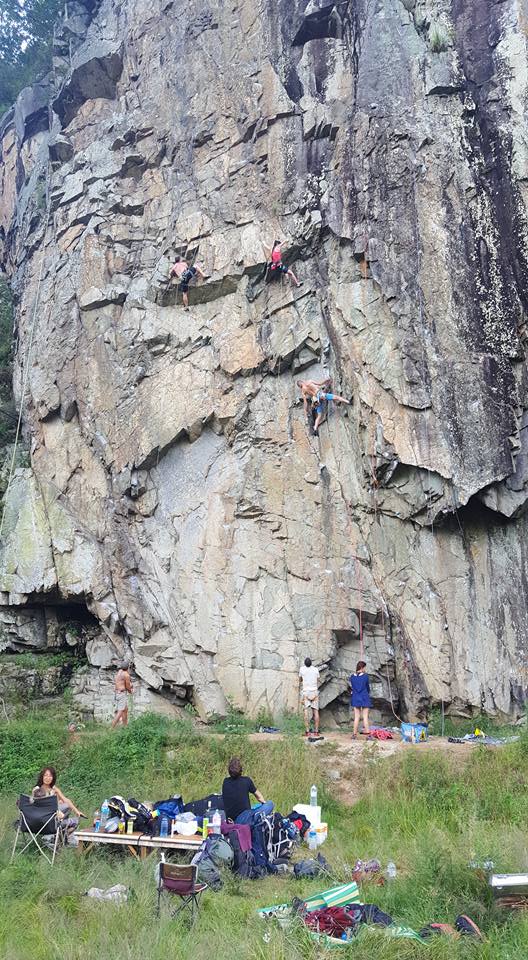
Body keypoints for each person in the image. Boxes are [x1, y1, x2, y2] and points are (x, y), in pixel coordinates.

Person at [222, 757, 273, 824]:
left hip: (230, 819)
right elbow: (259, 797)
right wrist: (264, 804)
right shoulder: (246, 781)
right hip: (243, 819)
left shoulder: (225, 782)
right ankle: (256, 818)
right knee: (270, 804)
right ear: (241, 770)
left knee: (255, 806)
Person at [350, 661, 372, 739]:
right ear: (362, 668)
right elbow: (367, 687)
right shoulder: (365, 676)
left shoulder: (352, 676)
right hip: (364, 697)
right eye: (364, 667)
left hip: (355, 698)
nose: (365, 669)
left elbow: (353, 687)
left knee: (356, 717)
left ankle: (354, 735)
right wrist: (367, 693)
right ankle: (368, 736)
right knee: (365, 717)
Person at [299, 657, 320, 736]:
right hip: (314, 692)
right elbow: (317, 679)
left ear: (305, 663)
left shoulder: (302, 669)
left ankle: (307, 731)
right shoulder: (315, 669)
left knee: (306, 711)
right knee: (316, 711)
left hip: (306, 692)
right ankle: (316, 731)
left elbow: (300, 679)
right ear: (311, 663)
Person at [112, 661, 133, 728]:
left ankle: (125, 727)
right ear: (128, 667)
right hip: (121, 694)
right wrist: (130, 691)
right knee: (120, 711)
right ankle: (111, 728)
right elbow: (127, 686)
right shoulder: (126, 675)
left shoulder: (120, 671)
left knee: (125, 709)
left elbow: (121, 681)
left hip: (117, 692)